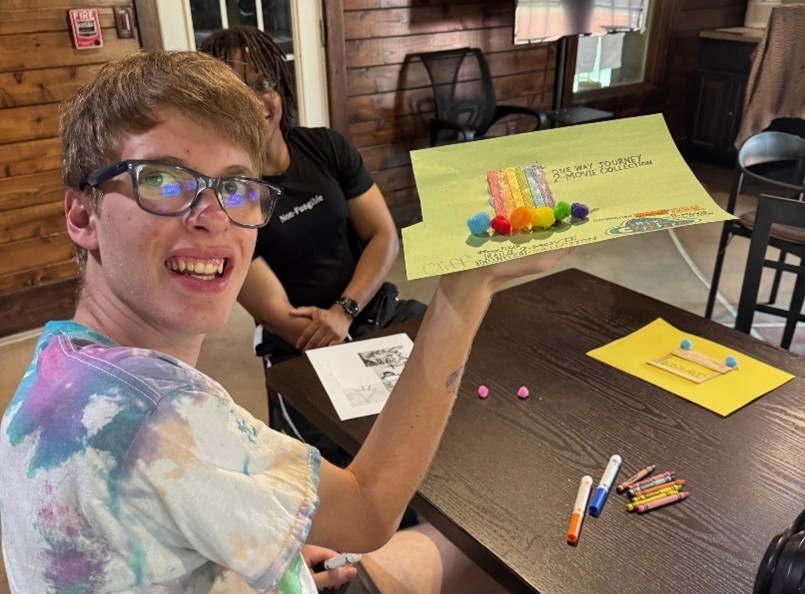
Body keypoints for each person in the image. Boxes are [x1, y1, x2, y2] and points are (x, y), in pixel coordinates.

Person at [0, 50, 570, 592]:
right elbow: (369, 509)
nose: (212, 218)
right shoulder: (156, 416)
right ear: (83, 214)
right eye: (164, 182)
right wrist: (467, 288)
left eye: (234, 187)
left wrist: (270, 559)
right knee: (509, 550)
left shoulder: (61, 365)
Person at [198, 27, 426, 458]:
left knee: (449, 384)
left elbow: (383, 236)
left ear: (281, 88)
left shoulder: (326, 147)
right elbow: (279, 315)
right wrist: (338, 332)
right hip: (300, 344)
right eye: (237, 91)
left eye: (263, 84)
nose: (256, 101)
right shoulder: (229, 195)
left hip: (370, 308)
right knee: (342, 459)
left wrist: (345, 311)